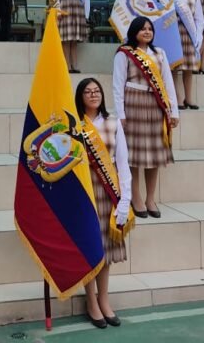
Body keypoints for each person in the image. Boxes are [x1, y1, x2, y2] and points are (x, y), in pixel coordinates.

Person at [75, 78, 131, 330]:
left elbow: (123, 163)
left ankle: (104, 300)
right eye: (88, 92)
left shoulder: (113, 122)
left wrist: (125, 198)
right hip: (85, 193)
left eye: (97, 91)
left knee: (105, 250)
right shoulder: (75, 126)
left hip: (109, 192)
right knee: (89, 247)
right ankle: (91, 302)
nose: (93, 95)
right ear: (80, 97)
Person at [112, 16, 179, 218]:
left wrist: (173, 110)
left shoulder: (160, 53)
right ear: (134, 32)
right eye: (142, 29)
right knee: (134, 155)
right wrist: (120, 114)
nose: (147, 32)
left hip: (157, 106)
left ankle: (151, 197)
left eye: (150, 28)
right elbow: (117, 86)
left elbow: (168, 82)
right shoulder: (124, 54)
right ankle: (136, 196)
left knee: (155, 156)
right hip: (134, 105)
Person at [168, 0, 204, 110]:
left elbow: (199, 18)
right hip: (173, 35)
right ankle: (177, 100)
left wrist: (198, 36)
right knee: (174, 68)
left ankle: (189, 99)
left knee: (188, 69)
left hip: (189, 35)